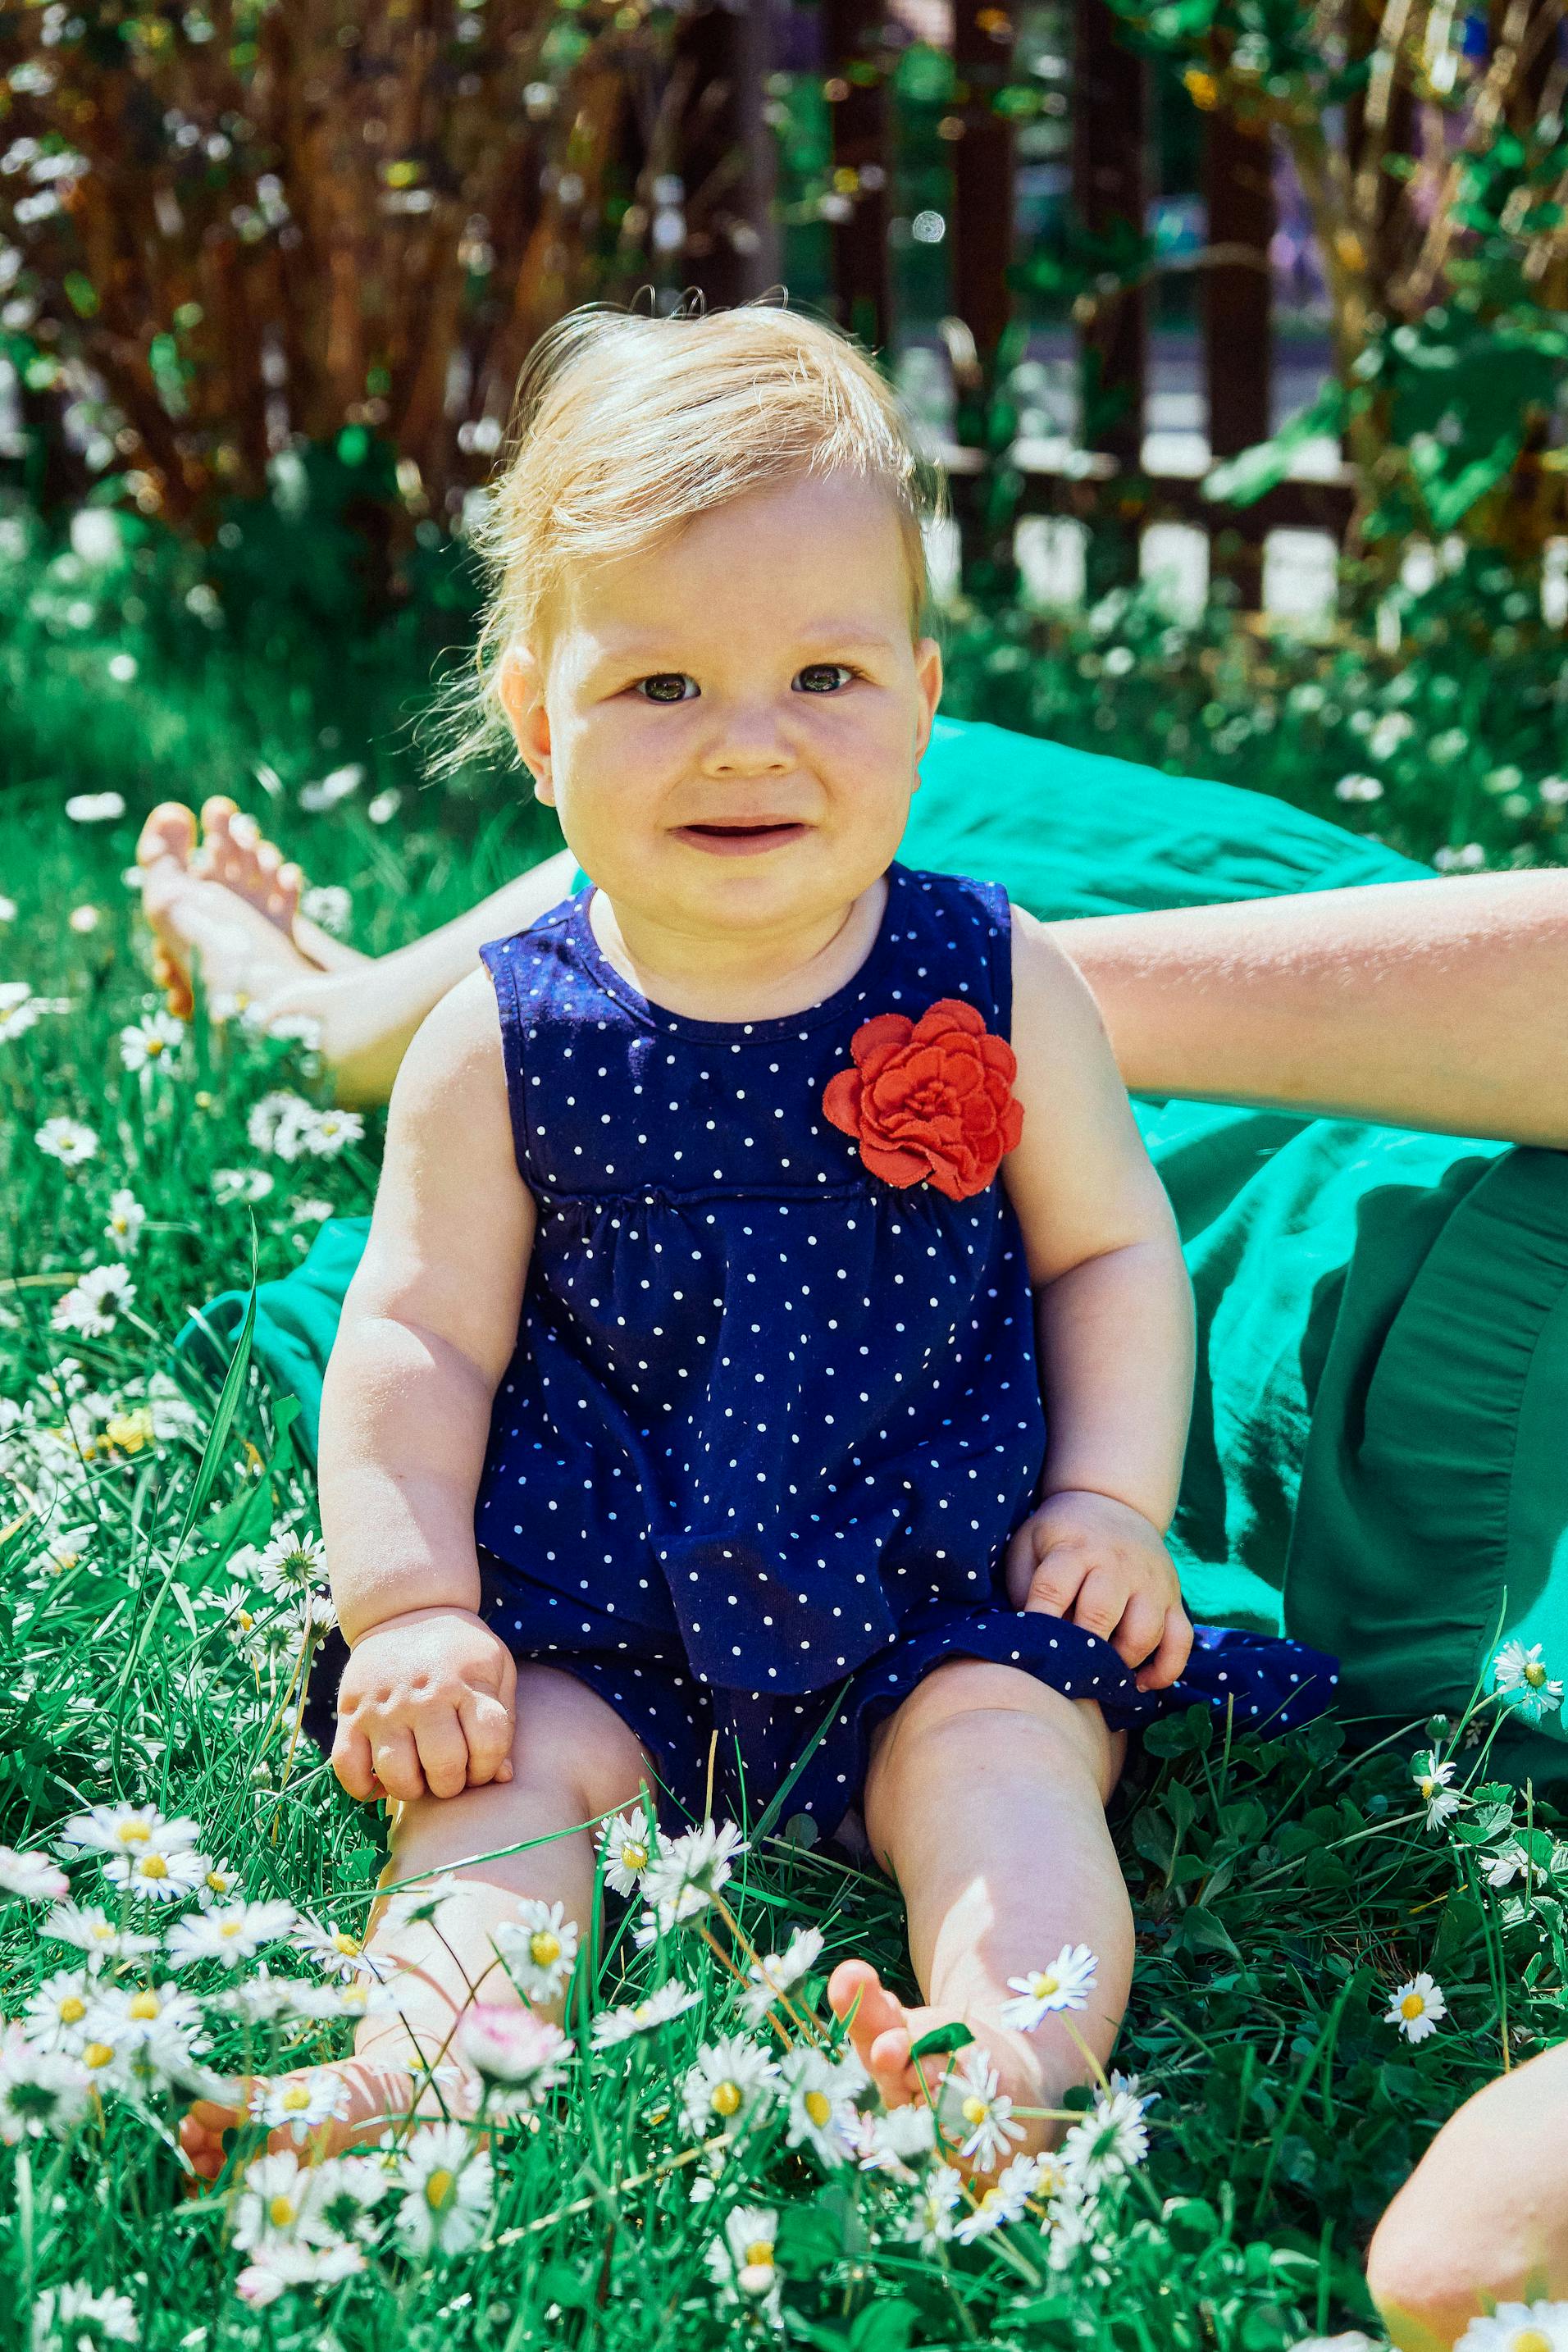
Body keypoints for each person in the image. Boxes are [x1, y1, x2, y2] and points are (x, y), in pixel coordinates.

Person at [147, 308, 1568, 2339]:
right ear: (537, 731)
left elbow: (1105, 1256)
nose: (750, 739)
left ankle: (996, 2063)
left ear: (918, 704)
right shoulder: (507, 1033)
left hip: (929, 1569)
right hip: (600, 1585)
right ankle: (421, 2061)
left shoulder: (996, 983)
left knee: (1006, 1760)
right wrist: (409, 1610)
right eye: (660, 684)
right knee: (503, 1784)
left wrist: (1102, 1501)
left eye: (823, 675)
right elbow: (416, 1342)